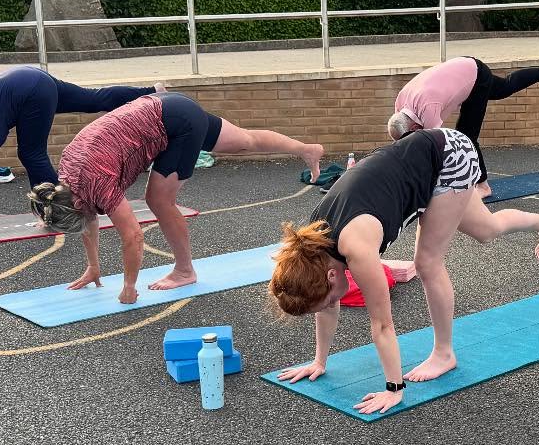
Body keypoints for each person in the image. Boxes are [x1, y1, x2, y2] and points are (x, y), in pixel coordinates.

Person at [270, 128, 539, 415]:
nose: (333, 305)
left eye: (329, 299)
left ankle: (444, 354)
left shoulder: (355, 248)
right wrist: (319, 361)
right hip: (425, 159)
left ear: (331, 277)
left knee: (428, 263)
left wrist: (393, 389)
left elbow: (382, 324)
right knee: (486, 230)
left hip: (448, 156)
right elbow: (325, 305)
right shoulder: (312, 249)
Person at [28, 92, 322, 305]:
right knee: (245, 141)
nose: (89, 217)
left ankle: (184, 270)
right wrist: (94, 266)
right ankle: (306, 149)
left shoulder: (96, 183)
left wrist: (129, 285)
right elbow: (88, 217)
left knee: (158, 200)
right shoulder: (67, 178)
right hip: (166, 106)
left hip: (174, 124)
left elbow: (133, 236)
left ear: (78, 203)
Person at [0, 66, 161, 243]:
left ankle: (61, 211)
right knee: (92, 100)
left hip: (29, 90)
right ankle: (154, 91)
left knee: (31, 153)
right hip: (28, 80)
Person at [386, 56, 539, 186]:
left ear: (415, 127)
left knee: (466, 137)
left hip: (475, 76)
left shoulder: (428, 108)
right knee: (505, 87)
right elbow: (408, 146)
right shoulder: (400, 107)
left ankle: (482, 185)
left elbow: (438, 149)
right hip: (463, 68)